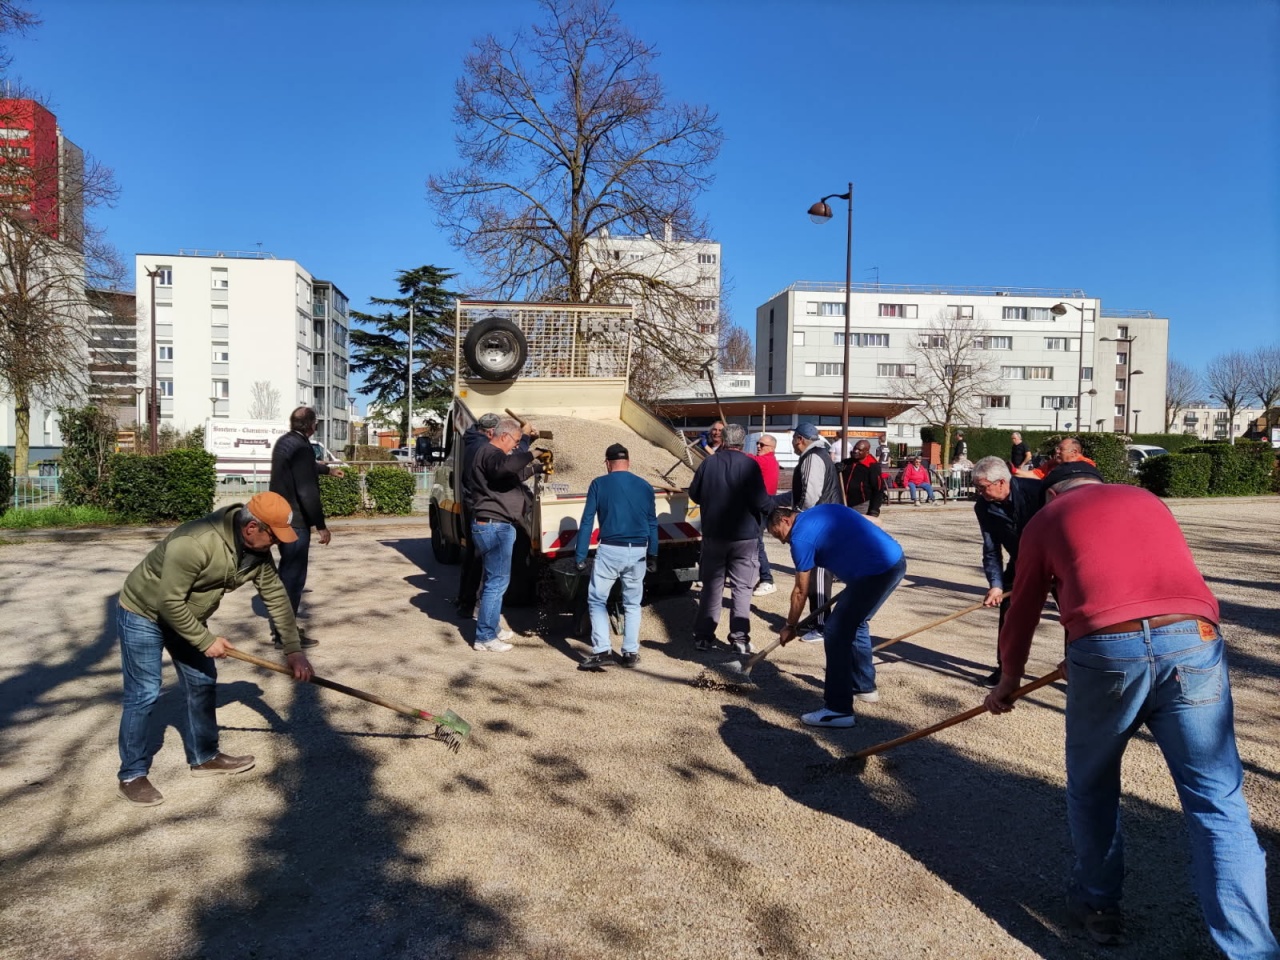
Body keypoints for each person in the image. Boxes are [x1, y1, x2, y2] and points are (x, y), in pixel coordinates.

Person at [984, 463, 1278, 956]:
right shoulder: (1148, 500)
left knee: (1093, 785)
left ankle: (1098, 907)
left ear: (1053, 492)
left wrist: (1008, 680)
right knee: (1218, 805)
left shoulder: (1045, 519)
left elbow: (1024, 607)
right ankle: (1252, 951)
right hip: (1193, 637)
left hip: (1105, 649)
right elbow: (1141, 582)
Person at [115, 492, 315, 806]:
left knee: (202, 682)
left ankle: (205, 756)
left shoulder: (257, 551)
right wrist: (206, 641)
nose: (277, 544)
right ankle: (131, 774)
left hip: (187, 617)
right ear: (252, 529)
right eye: (274, 537)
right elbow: (168, 603)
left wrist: (293, 650)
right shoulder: (195, 542)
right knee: (145, 691)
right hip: (144, 613)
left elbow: (275, 595)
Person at [769, 504, 906, 728]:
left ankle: (838, 709)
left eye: (779, 535)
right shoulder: (823, 509)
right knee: (856, 621)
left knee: (835, 631)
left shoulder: (800, 539)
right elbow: (873, 522)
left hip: (874, 572)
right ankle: (864, 687)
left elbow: (801, 591)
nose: (783, 541)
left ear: (786, 520)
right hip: (895, 560)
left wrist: (790, 626)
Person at [688, 423, 773, 655]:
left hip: (714, 535)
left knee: (712, 588)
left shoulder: (708, 463)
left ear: (723, 439)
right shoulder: (749, 465)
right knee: (742, 589)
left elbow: (693, 493)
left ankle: (703, 637)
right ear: (743, 441)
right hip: (745, 537)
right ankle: (739, 638)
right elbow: (761, 501)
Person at [573, 443, 659, 671]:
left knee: (597, 600)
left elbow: (587, 520)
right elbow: (652, 522)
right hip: (639, 550)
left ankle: (602, 651)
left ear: (607, 464)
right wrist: (653, 553)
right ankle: (630, 652)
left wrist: (581, 554)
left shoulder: (599, 484)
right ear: (628, 462)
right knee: (632, 603)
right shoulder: (645, 486)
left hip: (610, 549)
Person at [467, 417, 544, 652]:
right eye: (516, 441)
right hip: (494, 526)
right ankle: (485, 637)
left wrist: (535, 468)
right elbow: (506, 467)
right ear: (504, 436)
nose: (516, 446)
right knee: (496, 584)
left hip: (495, 525)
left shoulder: (494, 458)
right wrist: (532, 452)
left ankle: (492, 628)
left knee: (496, 582)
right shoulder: (490, 452)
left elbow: (511, 475)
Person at [269, 406, 343, 648]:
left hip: (279, 516)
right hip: (296, 522)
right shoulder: (302, 447)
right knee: (293, 578)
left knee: (286, 574)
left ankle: (282, 629)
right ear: (312, 426)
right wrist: (321, 526)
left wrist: (328, 470)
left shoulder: (286, 442)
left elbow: (303, 468)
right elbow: (306, 491)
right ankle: (285, 636)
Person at [971, 456, 1044, 686]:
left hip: (1057, 560)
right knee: (1010, 614)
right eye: (977, 488)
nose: (980, 492)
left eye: (983, 487)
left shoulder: (1039, 492)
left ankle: (1076, 670)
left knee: (1072, 615)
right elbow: (991, 548)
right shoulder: (983, 506)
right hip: (1021, 561)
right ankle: (1006, 668)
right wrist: (996, 584)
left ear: (1002, 482)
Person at [789, 423, 842, 642]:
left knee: (820, 575)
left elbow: (811, 494)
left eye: (794, 439)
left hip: (821, 523)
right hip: (824, 519)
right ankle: (815, 618)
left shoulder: (812, 457)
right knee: (814, 576)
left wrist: (798, 514)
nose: (793, 444)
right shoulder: (819, 455)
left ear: (800, 439)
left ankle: (822, 625)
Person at [455, 413, 501, 619]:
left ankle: (464, 600)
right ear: (491, 432)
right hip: (479, 504)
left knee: (472, 553)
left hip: (469, 502)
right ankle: (469, 605)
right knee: (478, 557)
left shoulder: (471, 440)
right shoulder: (483, 448)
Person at [748, 433, 781, 596]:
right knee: (753, 543)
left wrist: (731, 449)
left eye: (762, 445)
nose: (758, 447)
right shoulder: (770, 461)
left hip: (761, 509)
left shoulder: (766, 461)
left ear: (771, 448)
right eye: (758, 444)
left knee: (757, 544)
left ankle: (767, 579)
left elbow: (745, 457)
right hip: (763, 507)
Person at [842, 439, 885, 517]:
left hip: (861, 504)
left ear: (867, 452)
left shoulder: (872, 467)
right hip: (844, 503)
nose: (855, 451)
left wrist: (874, 510)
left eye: (860, 450)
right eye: (855, 448)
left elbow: (878, 490)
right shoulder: (846, 463)